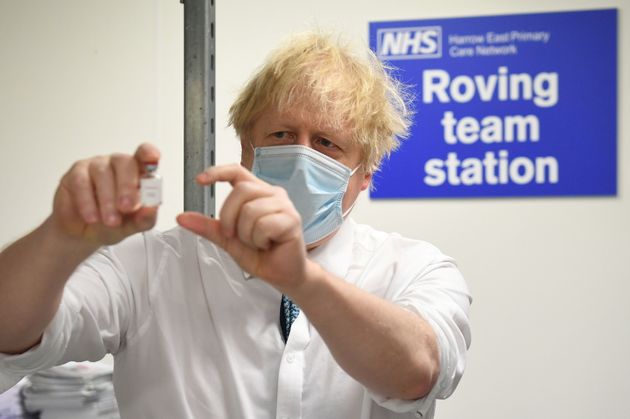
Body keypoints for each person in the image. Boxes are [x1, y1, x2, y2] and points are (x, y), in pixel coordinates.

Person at [0, 32, 471, 418]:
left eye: (327, 143)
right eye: (282, 135)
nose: (302, 155)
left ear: (364, 173)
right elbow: (10, 333)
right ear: (247, 149)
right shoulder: (153, 266)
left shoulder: (415, 269)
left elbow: (418, 374)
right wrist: (59, 238)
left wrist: (301, 281)